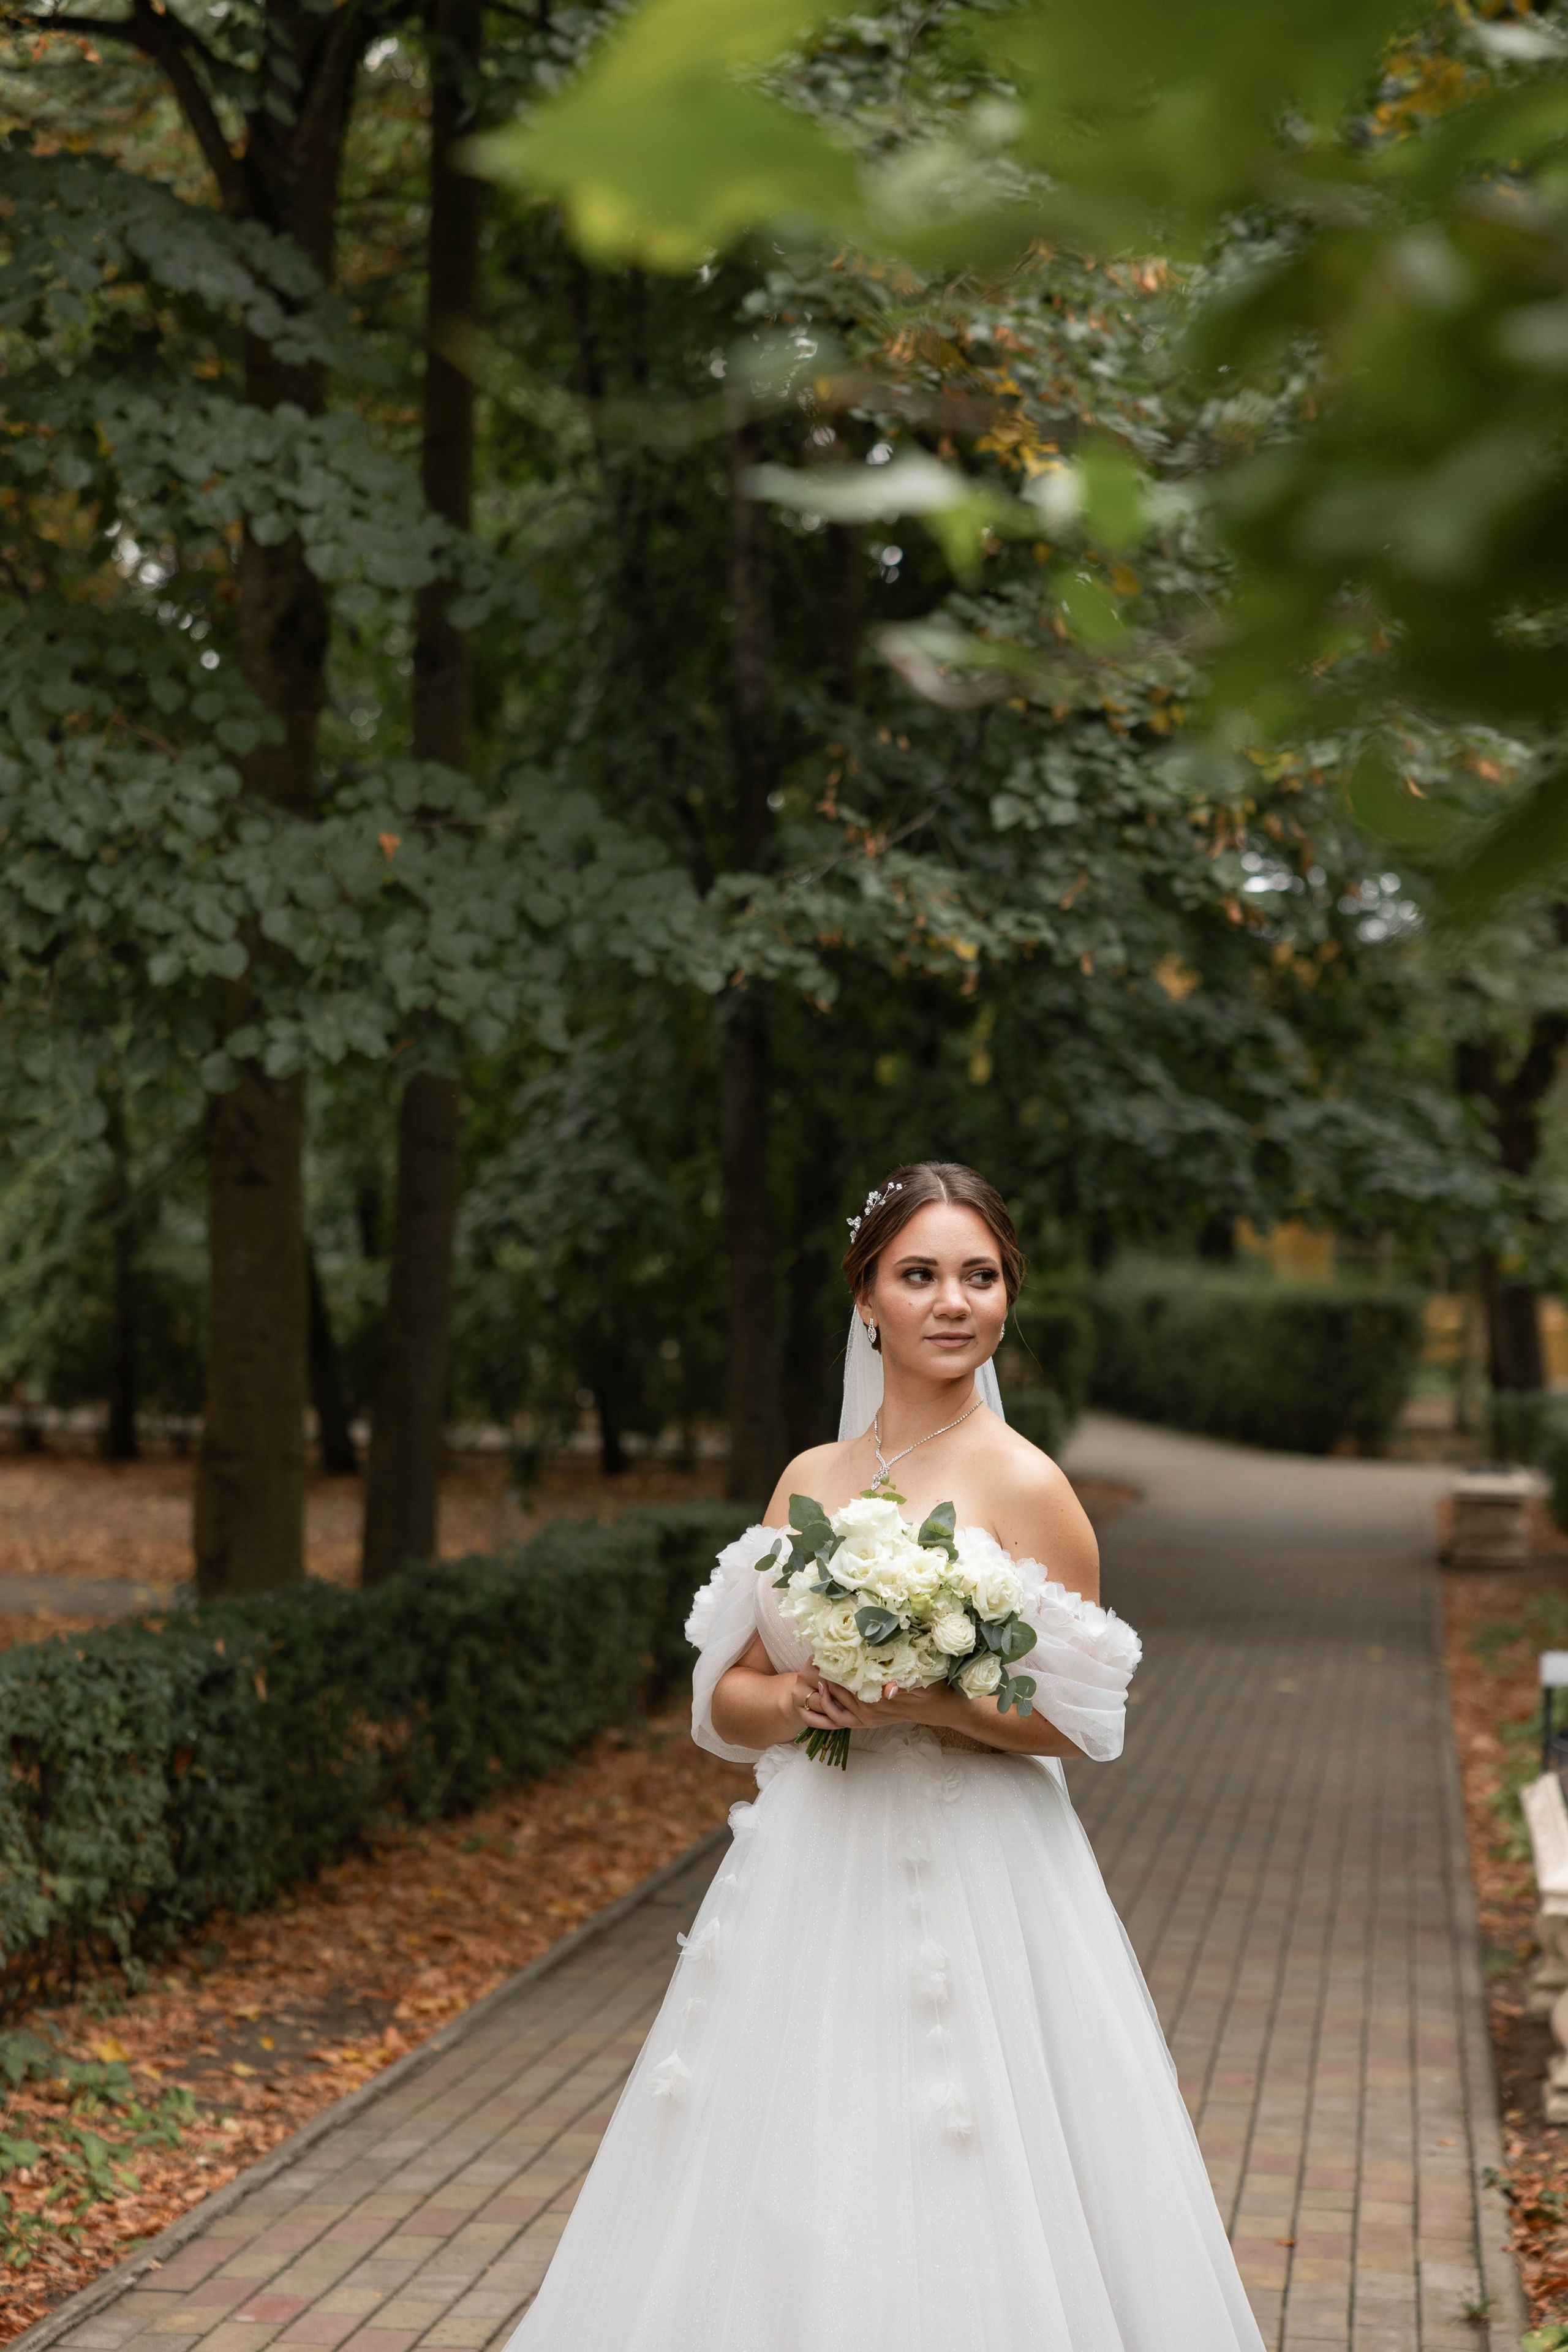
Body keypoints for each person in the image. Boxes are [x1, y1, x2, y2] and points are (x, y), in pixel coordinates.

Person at [506, 1161, 1265, 2351]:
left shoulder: (1028, 1484)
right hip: (811, 1868)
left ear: (1008, 1294)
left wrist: (935, 1701)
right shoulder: (807, 1480)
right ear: (867, 1297)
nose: (951, 1302)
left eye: (979, 1275)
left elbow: (1083, 1722)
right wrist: (802, 1697)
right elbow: (728, 1697)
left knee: (966, 2151)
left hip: (983, 1875)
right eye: (919, 1275)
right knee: (787, 2156)